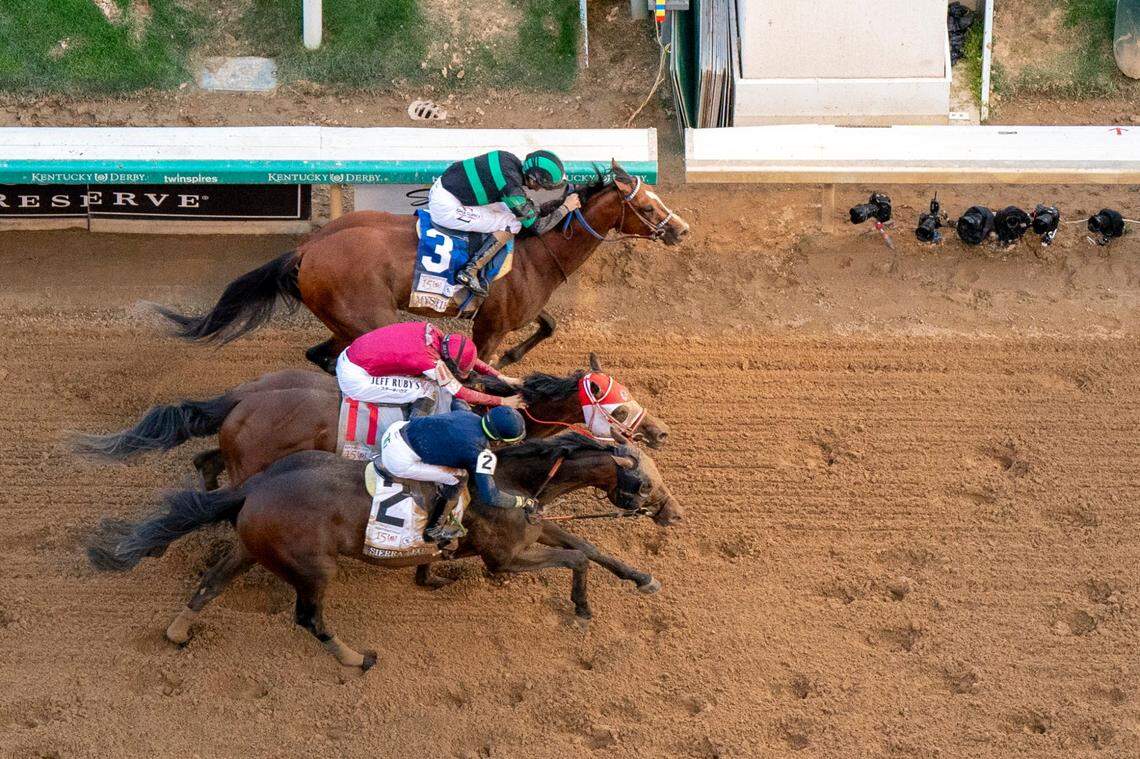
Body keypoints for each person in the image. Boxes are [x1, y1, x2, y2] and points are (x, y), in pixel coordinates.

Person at [427, 149, 582, 295]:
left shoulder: (509, 158)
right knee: (512, 223)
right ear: (533, 179)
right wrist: (566, 207)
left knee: (507, 210)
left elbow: (517, 201)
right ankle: (469, 271)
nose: (539, 190)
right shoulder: (511, 188)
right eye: (542, 186)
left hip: (445, 187)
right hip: (447, 207)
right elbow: (537, 227)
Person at [378, 406, 536, 542]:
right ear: (499, 438)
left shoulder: (467, 413)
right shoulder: (481, 454)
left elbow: (457, 401)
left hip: (394, 431)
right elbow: (491, 496)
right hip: (397, 460)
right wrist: (523, 502)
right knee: (460, 478)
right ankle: (434, 529)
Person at [336, 321, 524, 413]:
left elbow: (466, 356)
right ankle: (408, 437)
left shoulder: (435, 332)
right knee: (429, 391)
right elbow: (460, 392)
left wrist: (501, 376)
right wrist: (503, 402)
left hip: (351, 353)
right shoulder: (429, 362)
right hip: (355, 378)